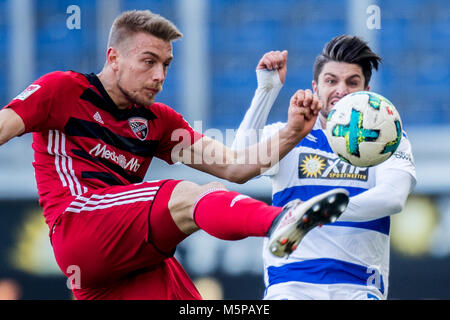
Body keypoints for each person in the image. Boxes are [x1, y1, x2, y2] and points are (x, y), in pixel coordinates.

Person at [0, 10, 349, 300]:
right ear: (114, 58)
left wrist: (291, 133)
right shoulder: (62, 89)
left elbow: (234, 166)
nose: (159, 76)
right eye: (149, 62)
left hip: (121, 263)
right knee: (182, 194)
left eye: (166, 64)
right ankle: (278, 222)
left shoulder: (158, 121)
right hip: (79, 228)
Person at [232, 35, 416, 300]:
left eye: (352, 82)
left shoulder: (389, 139)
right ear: (315, 87)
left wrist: (317, 214)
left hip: (358, 287)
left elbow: (393, 197)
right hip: (291, 284)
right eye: (331, 81)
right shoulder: (288, 135)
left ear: (367, 90)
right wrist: (267, 90)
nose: (341, 89)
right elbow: (238, 161)